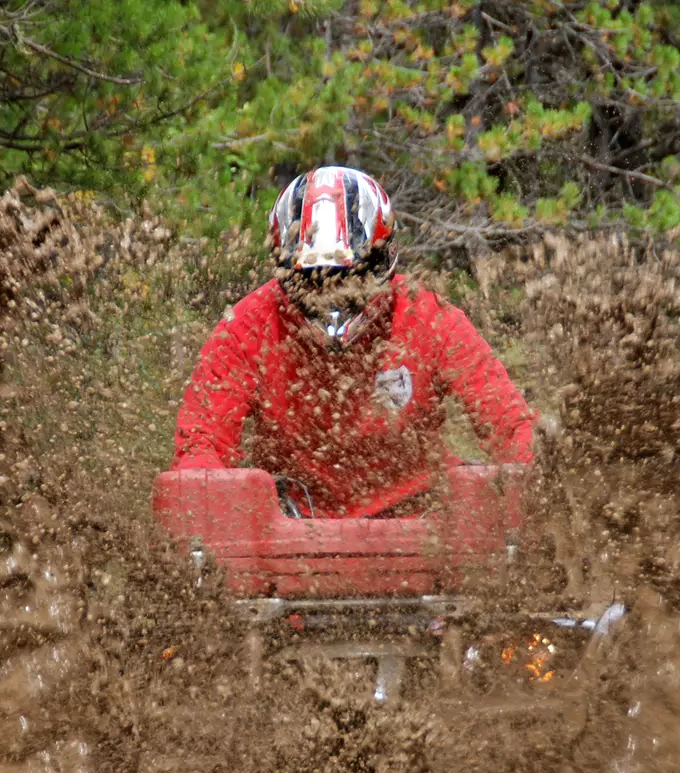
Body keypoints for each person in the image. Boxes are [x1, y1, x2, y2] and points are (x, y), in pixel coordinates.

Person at [170, 166, 535, 518]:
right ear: (284, 267)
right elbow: (202, 444)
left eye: (353, 274)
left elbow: (508, 423)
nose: (333, 293)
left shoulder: (429, 317)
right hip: (293, 530)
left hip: (421, 527)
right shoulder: (248, 326)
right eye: (313, 278)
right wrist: (205, 502)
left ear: (384, 258)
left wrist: (535, 483)